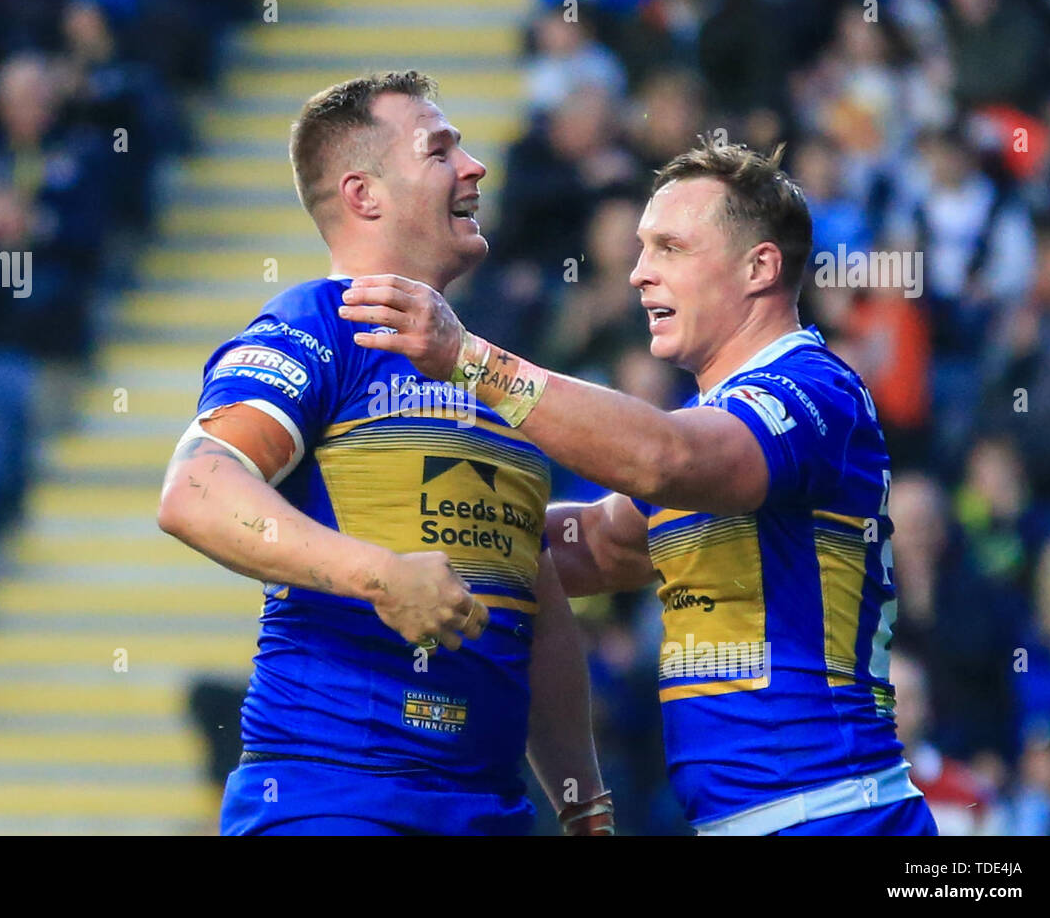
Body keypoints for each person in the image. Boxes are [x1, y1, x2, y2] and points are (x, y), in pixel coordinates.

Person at [338, 137, 938, 835]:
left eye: (670, 249)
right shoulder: (710, 422)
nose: (638, 273)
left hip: (837, 815)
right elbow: (591, 542)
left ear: (759, 267)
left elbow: (663, 459)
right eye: (642, 249)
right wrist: (378, 547)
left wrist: (469, 360)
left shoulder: (814, 389)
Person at [156, 72, 609, 836]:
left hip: (490, 812)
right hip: (334, 799)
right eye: (440, 150)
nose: (475, 168)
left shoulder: (485, 366)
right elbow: (195, 490)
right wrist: (382, 576)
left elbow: (533, 592)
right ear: (364, 195)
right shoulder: (323, 323)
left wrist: (582, 799)